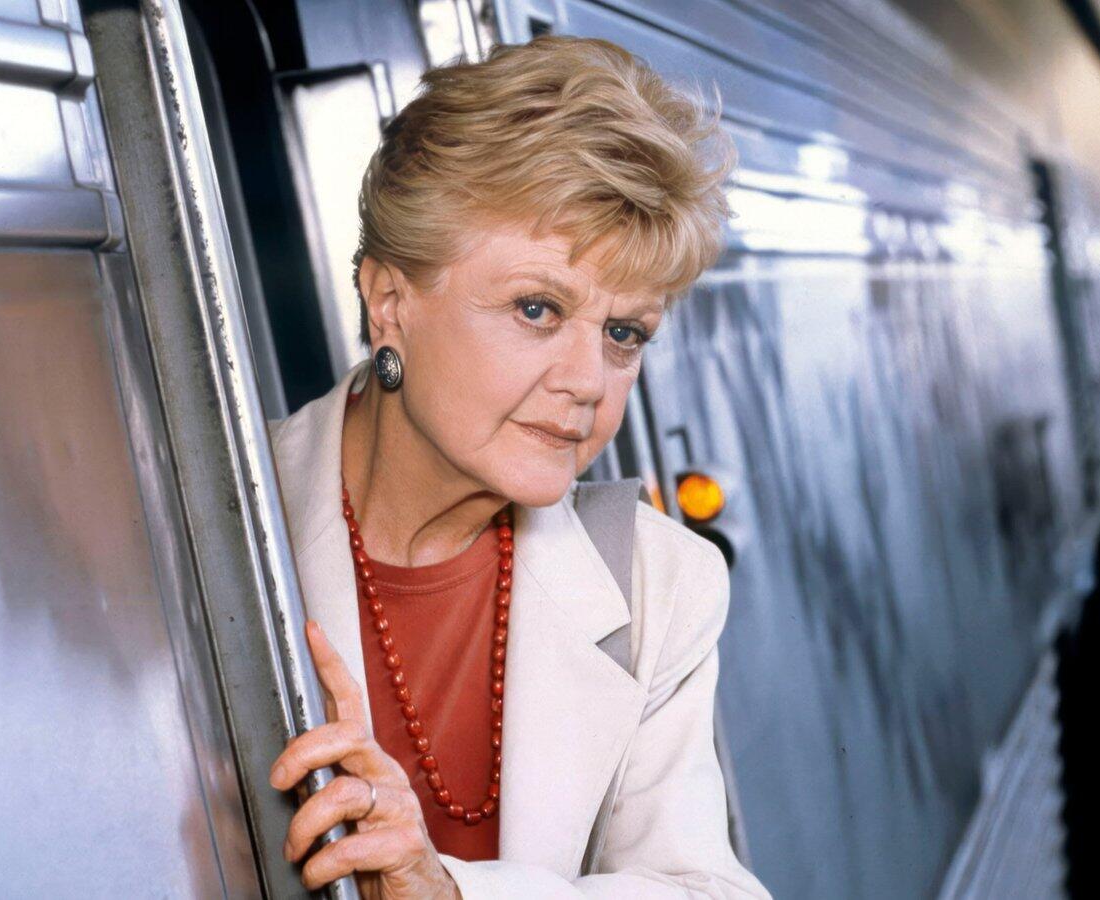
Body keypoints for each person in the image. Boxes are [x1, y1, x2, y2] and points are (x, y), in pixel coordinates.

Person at [265, 34, 766, 898]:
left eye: (624, 333)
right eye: (538, 309)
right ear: (390, 303)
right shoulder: (218, 513)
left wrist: (452, 891)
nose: (588, 382)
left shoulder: (661, 584)